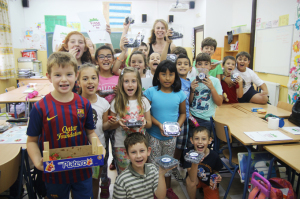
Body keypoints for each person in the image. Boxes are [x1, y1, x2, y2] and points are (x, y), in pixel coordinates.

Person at [26, 52, 104, 199]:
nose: (64, 80)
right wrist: (37, 162)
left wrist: (99, 147)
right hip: (54, 173)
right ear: (48, 76)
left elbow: (90, 132)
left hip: (82, 170)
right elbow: (31, 141)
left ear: (76, 75)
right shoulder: (40, 107)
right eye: (57, 75)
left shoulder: (84, 104)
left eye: (69, 74)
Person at [144, 60, 186, 199]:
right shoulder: (150, 92)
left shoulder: (179, 94)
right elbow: (146, 113)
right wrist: (159, 125)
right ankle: (155, 191)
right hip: (154, 135)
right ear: (157, 76)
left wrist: (178, 125)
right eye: (163, 74)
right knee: (154, 165)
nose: (167, 78)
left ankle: (167, 188)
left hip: (171, 137)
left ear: (176, 76)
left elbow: (183, 114)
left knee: (168, 164)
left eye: (171, 74)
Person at [77, 63, 113, 199]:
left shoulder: (103, 103)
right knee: (79, 181)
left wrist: (111, 124)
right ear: (78, 81)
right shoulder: (74, 102)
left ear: (98, 80)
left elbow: (103, 126)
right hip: (79, 149)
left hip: (98, 148)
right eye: (85, 78)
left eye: (93, 78)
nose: (90, 81)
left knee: (95, 179)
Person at [109, 67, 152, 174]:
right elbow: (110, 125)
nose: (130, 85)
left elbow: (149, 123)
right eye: (126, 81)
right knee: (124, 174)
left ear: (138, 83)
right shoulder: (116, 102)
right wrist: (118, 123)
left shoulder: (144, 101)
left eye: (133, 81)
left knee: (139, 172)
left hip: (140, 145)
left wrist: (144, 122)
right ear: (121, 83)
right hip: (121, 145)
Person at [113, 133, 177, 199]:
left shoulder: (153, 169)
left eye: (142, 151)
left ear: (148, 151)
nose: (138, 156)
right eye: (133, 152)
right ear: (127, 155)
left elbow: (161, 196)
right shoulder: (121, 181)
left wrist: (161, 175)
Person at [188, 53, 223, 148]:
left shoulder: (215, 81)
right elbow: (189, 103)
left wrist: (212, 88)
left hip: (207, 119)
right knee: (191, 144)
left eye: (206, 64)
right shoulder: (191, 80)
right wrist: (192, 90)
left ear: (210, 66)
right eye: (199, 64)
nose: (203, 66)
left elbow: (219, 102)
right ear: (195, 66)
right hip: (193, 118)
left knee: (203, 145)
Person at [184, 126, 223, 199]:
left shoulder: (214, 155)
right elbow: (192, 178)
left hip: (209, 181)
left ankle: (204, 189)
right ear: (191, 140)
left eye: (204, 139)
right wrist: (195, 162)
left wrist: (217, 175)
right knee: (190, 181)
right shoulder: (188, 154)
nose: (200, 142)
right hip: (195, 179)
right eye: (196, 138)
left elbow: (216, 170)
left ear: (209, 140)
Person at [172, 54, 192, 181]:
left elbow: (189, 100)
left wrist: (193, 90)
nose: (182, 66)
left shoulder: (190, 82)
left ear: (190, 68)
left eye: (185, 64)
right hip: (173, 117)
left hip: (185, 118)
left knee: (180, 145)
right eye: (179, 63)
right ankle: (168, 165)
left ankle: (174, 166)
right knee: (171, 144)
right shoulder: (173, 81)